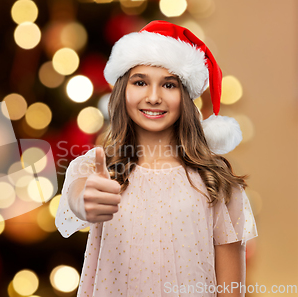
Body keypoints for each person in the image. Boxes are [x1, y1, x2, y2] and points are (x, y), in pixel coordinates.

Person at [55, 20, 258, 297]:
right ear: (123, 90)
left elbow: (231, 289)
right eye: (140, 82)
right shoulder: (97, 166)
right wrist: (85, 201)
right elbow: (78, 197)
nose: (153, 97)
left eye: (169, 85)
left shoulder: (215, 181)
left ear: (185, 96)